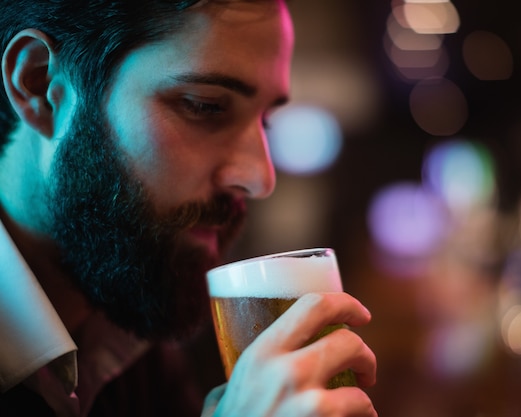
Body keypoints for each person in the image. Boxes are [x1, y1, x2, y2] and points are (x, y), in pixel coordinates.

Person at [0, 0, 377, 416]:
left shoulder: (137, 340)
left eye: (264, 122)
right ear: (39, 86)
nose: (260, 178)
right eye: (204, 106)